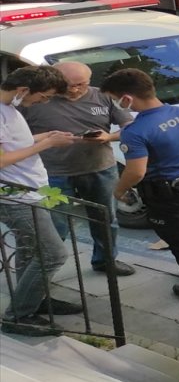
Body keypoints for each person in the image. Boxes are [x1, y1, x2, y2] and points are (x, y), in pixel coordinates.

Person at [103, 69, 179, 298]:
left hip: (168, 193)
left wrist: (119, 190)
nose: (116, 104)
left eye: (114, 99)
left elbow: (136, 171)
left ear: (127, 98)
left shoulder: (136, 131)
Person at [20, 62, 135, 276]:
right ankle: (44, 270)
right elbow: (17, 137)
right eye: (68, 85)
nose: (74, 90)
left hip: (99, 167)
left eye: (81, 84)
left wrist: (109, 137)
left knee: (105, 219)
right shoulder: (38, 99)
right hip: (53, 172)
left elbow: (130, 128)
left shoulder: (103, 96)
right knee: (56, 224)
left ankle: (106, 260)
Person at [1, 66, 78, 336]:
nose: (43, 102)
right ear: (24, 90)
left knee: (30, 251)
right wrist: (45, 145)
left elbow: (11, 145)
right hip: (15, 198)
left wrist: (42, 137)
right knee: (53, 254)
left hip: (29, 192)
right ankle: (18, 316)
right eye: (43, 97)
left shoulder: (10, 107)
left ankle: (32, 300)